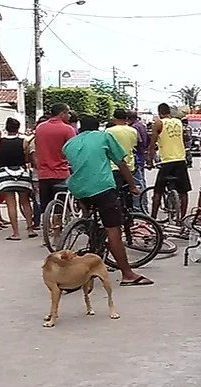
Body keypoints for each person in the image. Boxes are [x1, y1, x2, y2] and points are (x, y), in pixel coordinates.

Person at [62, 115, 153, 287]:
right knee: (113, 230)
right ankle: (127, 274)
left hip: (78, 189)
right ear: (98, 127)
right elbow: (121, 162)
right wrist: (133, 186)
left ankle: (89, 229)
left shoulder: (70, 143)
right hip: (102, 187)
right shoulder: (104, 137)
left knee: (90, 217)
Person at [0, 117, 36, 241]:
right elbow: (27, 158)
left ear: (6, 128)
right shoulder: (24, 142)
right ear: (18, 128)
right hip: (21, 172)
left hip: (5, 174)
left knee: (11, 204)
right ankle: (30, 228)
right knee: (25, 202)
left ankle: (16, 233)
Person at [148, 103, 192, 219]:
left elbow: (152, 145)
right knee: (183, 192)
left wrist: (150, 161)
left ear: (159, 113)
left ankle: (153, 219)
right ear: (169, 112)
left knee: (158, 191)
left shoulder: (158, 123)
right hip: (180, 160)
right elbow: (182, 139)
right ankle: (182, 218)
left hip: (166, 162)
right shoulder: (178, 122)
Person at [35, 102, 75, 214]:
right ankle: (57, 229)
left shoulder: (40, 128)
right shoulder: (67, 129)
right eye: (68, 113)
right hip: (61, 173)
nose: (70, 116)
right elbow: (73, 150)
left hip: (43, 173)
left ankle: (47, 226)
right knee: (60, 207)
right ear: (62, 114)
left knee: (46, 205)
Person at [106, 109, 137, 190]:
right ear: (126, 118)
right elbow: (134, 145)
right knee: (129, 189)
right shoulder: (133, 131)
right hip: (129, 165)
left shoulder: (108, 131)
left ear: (114, 118)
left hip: (114, 166)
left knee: (116, 191)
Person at [126, 110, 150, 212]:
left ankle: (139, 208)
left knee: (137, 183)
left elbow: (137, 142)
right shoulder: (141, 126)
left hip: (137, 158)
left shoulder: (134, 128)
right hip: (141, 156)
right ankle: (143, 205)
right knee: (141, 182)